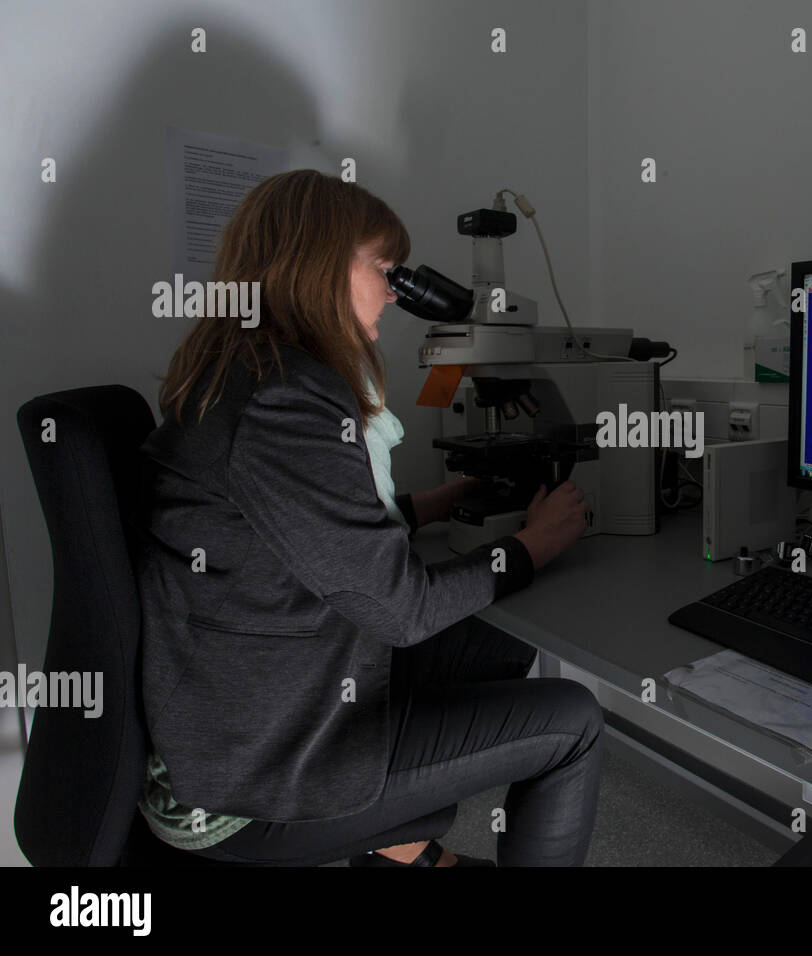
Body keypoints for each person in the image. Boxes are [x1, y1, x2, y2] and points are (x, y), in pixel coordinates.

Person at [134, 169, 603, 866]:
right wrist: (530, 547)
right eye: (383, 269)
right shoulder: (285, 400)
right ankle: (395, 841)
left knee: (499, 641)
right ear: (316, 263)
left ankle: (405, 854)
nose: (392, 290)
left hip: (253, 705)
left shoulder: (246, 371)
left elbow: (298, 533)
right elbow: (402, 609)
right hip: (243, 783)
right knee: (573, 720)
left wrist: (426, 506)